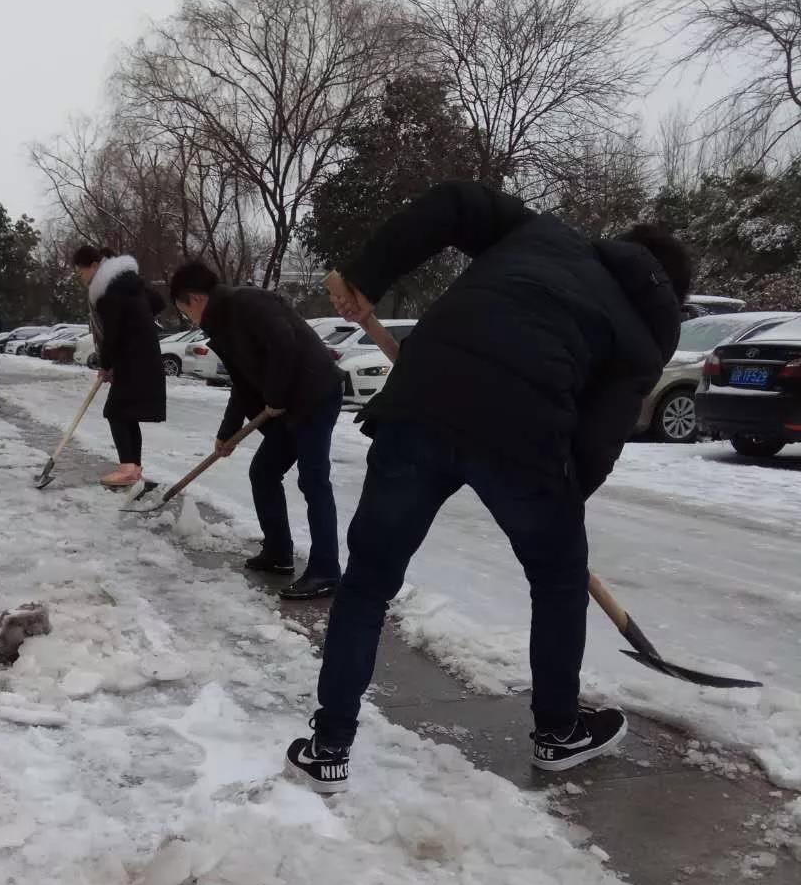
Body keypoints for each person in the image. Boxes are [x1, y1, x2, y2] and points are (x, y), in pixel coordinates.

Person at [283, 180, 688, 792]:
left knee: (367, 583)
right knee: (556, 581)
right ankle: (558, 730)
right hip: (526, 438)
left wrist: (371, 271)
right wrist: (555, 515)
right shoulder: (647, 335)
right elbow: (597, 443)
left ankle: (328, 747)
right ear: (671, 292)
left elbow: (456, 203)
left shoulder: (542, 233)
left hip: (420, 403)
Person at [169, 261, 343, 601]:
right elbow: (243, 385)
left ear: (194, 299)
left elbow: (285, 345)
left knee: (313, 479)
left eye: (183, 310)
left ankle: (326, 571)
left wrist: (276, 396)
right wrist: (227, 433)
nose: (187, 318)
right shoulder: (221, 328)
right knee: (263, 471)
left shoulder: (248, 303)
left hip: (315, 393)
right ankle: (278, 553)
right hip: (287, 405)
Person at [72, 246, 166, 487]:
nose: (82, 277)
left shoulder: (108, 293)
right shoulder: (128, 284)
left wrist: (106, 365)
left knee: (115, 412)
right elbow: (158, 301)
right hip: (145, 356)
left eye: (81, 271)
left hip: (132, 359)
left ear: (94, 266)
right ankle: (133, 468)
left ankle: (128, 469)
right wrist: (138, 317)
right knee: (126, 414)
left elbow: (112, 333)